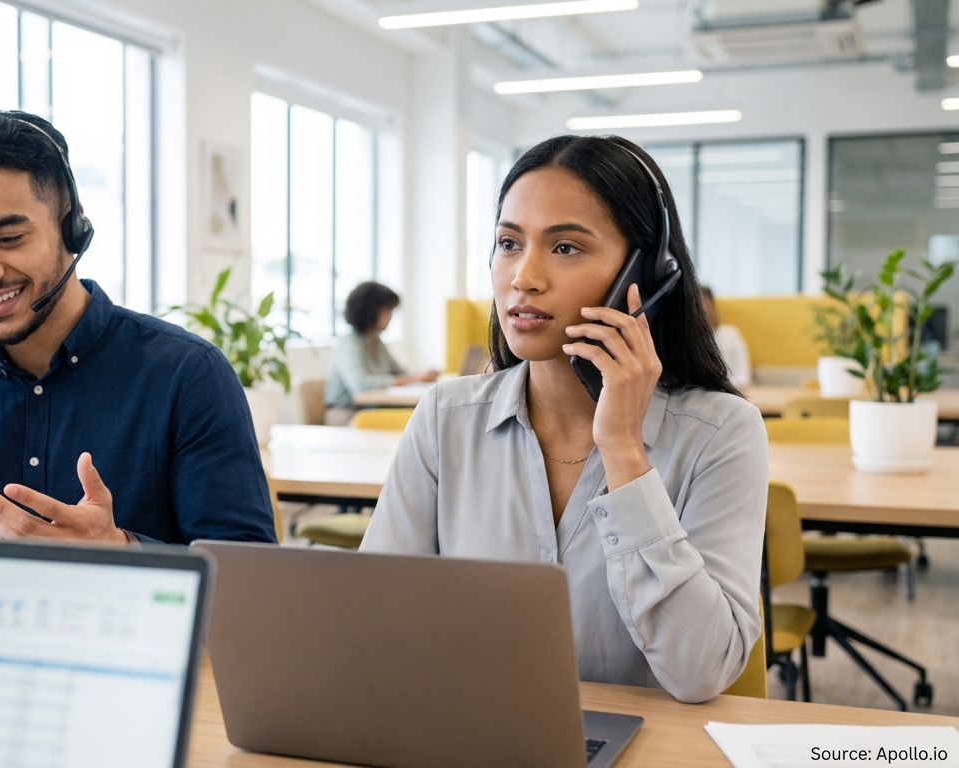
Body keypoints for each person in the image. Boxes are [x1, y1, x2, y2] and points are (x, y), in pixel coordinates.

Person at [359, 135, 766, 704]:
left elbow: (701, 671)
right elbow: (376, 624)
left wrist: (624, 449)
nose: (524, 276)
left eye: (566, 248)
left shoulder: (722, 432)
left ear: (642, 271)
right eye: (508, 242)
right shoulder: (445, 419)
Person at [0, 111, 276, 545]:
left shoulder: (187, 376)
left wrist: (123, 550)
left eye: (8, 239)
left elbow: (248, 579)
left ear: (72, 226)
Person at [324, 281, 438, 426]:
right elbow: (360, 384)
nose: (390, 317)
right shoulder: (349, 345)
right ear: (370, 311)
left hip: (373, 409)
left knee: (422, 416)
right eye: (387, 311)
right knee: (415, 422)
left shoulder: (376, 341)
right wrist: (413, 379)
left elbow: (398, 371)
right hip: (348, 415)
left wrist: (421, 377)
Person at [701, 285, 753, 388]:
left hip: (730, 391)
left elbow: (743, 375)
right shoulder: (687, 340)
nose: (702, 309)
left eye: (705, 303)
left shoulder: (730, 334)